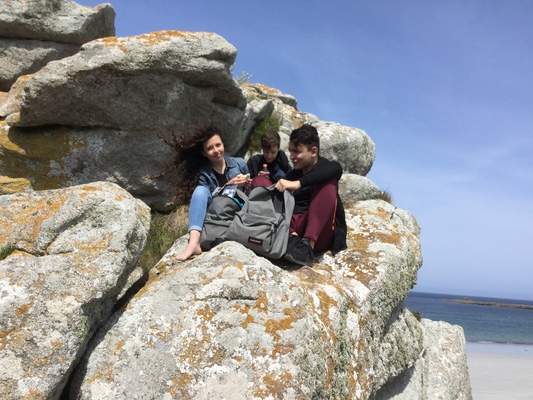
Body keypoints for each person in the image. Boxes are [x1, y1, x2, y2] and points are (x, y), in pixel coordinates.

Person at [173, 126, 250, 261]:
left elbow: (249, 196)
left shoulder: (239, 164)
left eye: (218, 145)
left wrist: (248, 186)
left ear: (223, 144)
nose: (216, 150)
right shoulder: (204, 173)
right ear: (204, 153)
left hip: (238, 213)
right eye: (210, 148)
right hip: (217, 215)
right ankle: (194, 243)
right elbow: (209, 201)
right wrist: (228, 185)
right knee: (200, 191)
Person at [274, 124, 347, 266]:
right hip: (292, 232)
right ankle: (293, 241)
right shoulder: (293, 174)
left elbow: (336, 169)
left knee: (329, 183)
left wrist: (298, 184)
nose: (291, 157)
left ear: (313, 152)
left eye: (296, 152)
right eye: (290, 151)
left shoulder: (327, 168)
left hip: (317, 233)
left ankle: (307, 246)